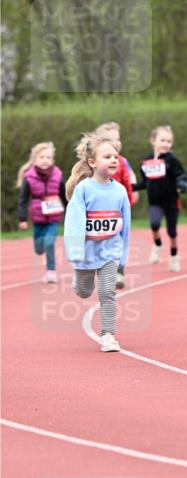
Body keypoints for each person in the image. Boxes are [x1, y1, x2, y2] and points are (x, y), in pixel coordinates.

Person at [64, 132, 131, 353]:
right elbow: (74, 221)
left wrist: (123, 257)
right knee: (84, 292)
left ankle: (108, 335)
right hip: (85, 253)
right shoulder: (83, 189)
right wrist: (74, 251)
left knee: (107, 292)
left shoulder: (120, 191)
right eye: (107, 156)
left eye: (116, 156)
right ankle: (79, 281)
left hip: (110, 252)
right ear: (92, 162)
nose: (114, 160)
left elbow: (126, 226)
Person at [135, 125, 187, 270]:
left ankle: (174, 256)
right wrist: (131, 187)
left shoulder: (172, 160)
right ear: (153, 141)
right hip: (155, 201)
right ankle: (157, 245)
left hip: (171, 201)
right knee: (154, 224)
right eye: (162, 140)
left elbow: (181, 175)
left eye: (169, 141)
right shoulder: (146, 161)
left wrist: (182, 185)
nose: (166, 144)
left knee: (172, 232)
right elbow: (145, 182)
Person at [17, 142, 67, 283]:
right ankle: (42, 250)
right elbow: (23, 199)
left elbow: (65, 196)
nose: (45, 160)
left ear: (53, 160)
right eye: (42, 157)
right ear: (35, 160)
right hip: (37, 218)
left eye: (48, 157)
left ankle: (51, 271)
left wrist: (73, 211)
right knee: (39, 249)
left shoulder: (58, 175)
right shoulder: (29, 177)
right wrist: (22, 218)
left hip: (53, 218)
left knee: (49, 243)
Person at [95, 123, 136, 289]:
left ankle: (119, 272)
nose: (116, 143)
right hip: (98, 211)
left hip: (118, 208)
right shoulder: (93, 163)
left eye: (118, 139)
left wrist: (130, 198)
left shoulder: (122, 161)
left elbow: (128, 180)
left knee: (118, 240)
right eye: (111, 140)